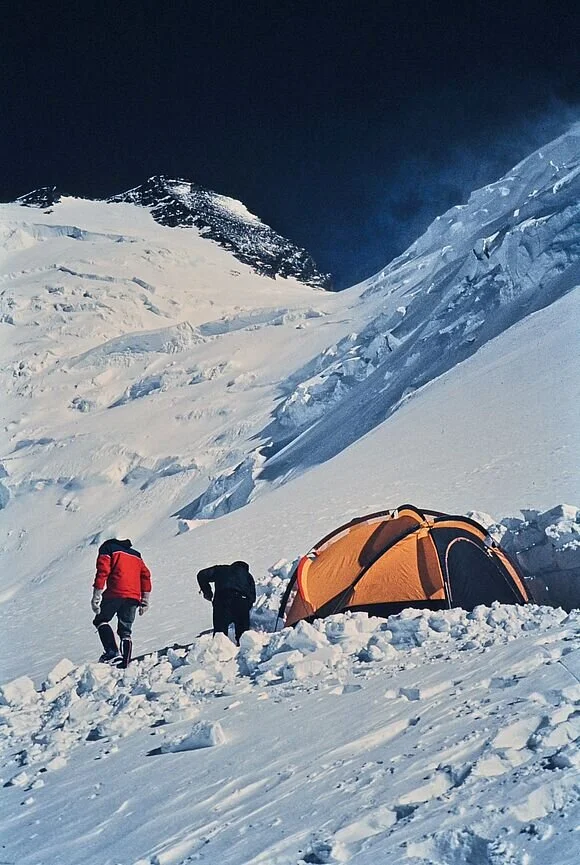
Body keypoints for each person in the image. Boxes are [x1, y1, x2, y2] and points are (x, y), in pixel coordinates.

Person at [91, 532, 152, 668]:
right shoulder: (136, 555)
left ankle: (112, 653)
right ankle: (125, 660)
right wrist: (145, 600)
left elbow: (102, 572)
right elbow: (146, 575)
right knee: (125, 630)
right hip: (134, 596)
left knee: (101, 620)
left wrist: (96, 595)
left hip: (115, 593)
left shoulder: (107, 549)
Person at [197, 560, 256, 645]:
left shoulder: (221, 569)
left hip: (222, 601)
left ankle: (218, 653)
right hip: (241, 601)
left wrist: (207, 592)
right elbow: (252, 598)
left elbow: (201, 575)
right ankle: (243, 653)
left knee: (220, 635)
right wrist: (245, 608)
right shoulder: (248, 576)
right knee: (243, 636)